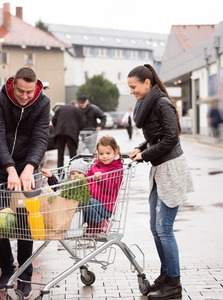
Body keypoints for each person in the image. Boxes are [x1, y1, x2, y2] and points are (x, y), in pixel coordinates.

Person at [127, 64, 194, 300]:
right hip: (159, 169)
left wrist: (144, 154)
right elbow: (156, 137)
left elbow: (171, 138)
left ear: (147, 84)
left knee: (164, 229)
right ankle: (166, 276)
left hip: (171, 169)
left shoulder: (162, 103)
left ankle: (174, 284)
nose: (132, 91)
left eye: (134, 87)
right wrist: (140, 147)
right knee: (155, 228)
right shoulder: (146, 104)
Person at [0, 67, 51, 299]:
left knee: (24, 222)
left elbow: (41, 136)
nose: (24, 96)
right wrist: (10, 169)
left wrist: (29, 167)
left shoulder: (42, 103)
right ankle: (6, 270)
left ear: (36, 87)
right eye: (21, 91)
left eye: (29, 92)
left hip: (26, 169)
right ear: (13, 85)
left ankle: (24, 275)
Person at [84, 135, 123, 232]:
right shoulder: (95, 166)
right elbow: (87, 181)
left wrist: (101, 179)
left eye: (108, 153)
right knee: (82, 200)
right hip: (93, 203)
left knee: (85, 202)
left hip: (106, 207)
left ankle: (101, 222)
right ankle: (94, 225)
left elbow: (111, 189)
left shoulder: (116, 169)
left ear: (115, 152)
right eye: (101, 153)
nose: (104, 156)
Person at [52, 103, 86, 168]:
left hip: (60, 133)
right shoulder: (77, 110)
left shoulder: (60, 108)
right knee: (73, 154)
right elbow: (83, 123)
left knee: (60, 154)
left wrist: (57, 128)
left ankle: (60, 172)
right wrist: (77, 129)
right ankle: (73, 171)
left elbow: (54, 120)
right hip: (72, 134)